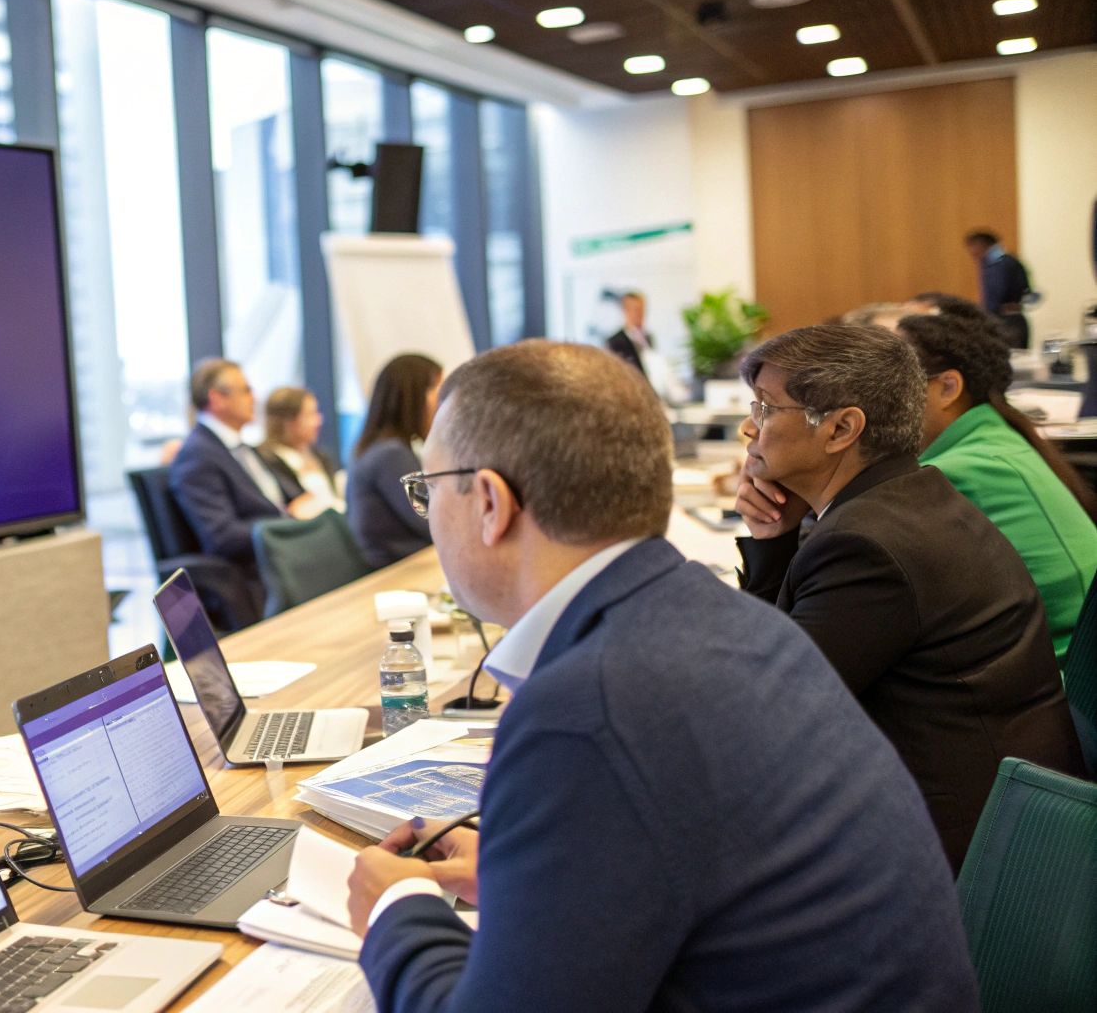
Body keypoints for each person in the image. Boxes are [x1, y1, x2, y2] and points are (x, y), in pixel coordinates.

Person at [347, 341, 975, 1012]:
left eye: (431, 489)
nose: (430, 515)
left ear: (492, 504)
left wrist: (399, 909)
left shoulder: (588, 707)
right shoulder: (719, 619)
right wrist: (540, 880)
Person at [734, 323, 1085, 869]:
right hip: (995, 814)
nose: (748, 429)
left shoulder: (867, 547)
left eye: (764, 408)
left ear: (842, 428)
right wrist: (773, 542)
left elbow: (762, 709)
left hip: (961, 850)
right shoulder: (910, 499)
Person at [897, 312, 1097, 666]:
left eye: (890, 383)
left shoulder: (955, 472)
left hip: (1063, 690)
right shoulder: (993, 438)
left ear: (947, 388)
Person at [170, 360, 318, 596]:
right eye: (246, 390)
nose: (254, 399)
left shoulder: (244, 448)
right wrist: (289, 522)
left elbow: (288, 497)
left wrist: (306, 506)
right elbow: (223, 537)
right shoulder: (197, 457)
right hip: (261, 570)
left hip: (289, 555)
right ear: (217, 399)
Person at [347, 354, 440, 568]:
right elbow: (432, 522)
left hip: (403, 565)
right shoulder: (390, 454)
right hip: (395, 571)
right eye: (438, 390)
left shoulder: (385, 446)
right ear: (416, 396)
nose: (442, 401)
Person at [258, 386, 344, 515]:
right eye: (310, 414)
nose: (319, 421)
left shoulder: (320, 456)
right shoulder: (267, 461)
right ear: (288, 422)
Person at [605, 290, 683, 401]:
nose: (640, 314)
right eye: (635, 309)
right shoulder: (615, 341)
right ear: (625, 310)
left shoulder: (648, 337)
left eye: (642, 309)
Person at [964, 228, 1033, 349]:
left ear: (981, 244)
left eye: (972, 246)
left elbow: (994, 296)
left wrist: (982, 318)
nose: (971, 252)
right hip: (1012, 320)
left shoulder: (997, 264)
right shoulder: (1007, 260)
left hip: (1005, 323)